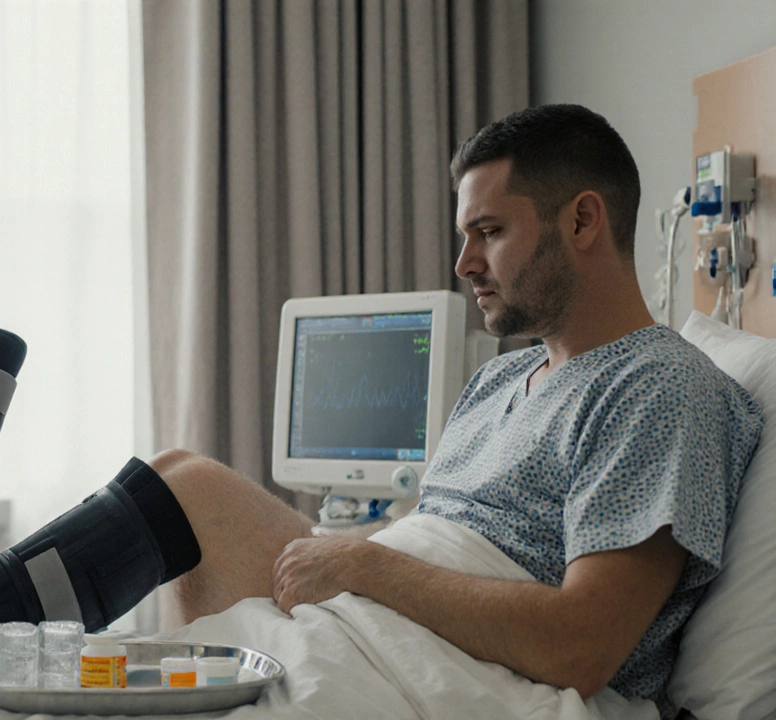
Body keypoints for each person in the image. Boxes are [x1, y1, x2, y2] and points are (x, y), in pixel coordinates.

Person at [144, 104, 763, 718]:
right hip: (393, 622)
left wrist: (364, 566)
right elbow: (433, 530)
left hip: (479, 671)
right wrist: (342, 554)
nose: (464, 263)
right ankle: (45, 640)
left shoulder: (655, 385)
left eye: (489, 232)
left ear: (582, 222)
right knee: (179, 487)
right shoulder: (500, 377)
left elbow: (583, 645)